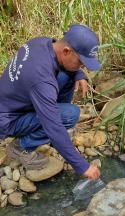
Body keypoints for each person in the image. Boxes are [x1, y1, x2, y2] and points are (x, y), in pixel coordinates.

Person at [0, 24, 101, 180]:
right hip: (8, 120)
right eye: (81, 63)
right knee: (70, 115)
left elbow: (62, 67)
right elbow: (53, 125)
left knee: (68, 75)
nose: (83, 66)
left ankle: (54, 132)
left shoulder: (42, 43)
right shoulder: (41, 81)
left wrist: (78, 74)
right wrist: (82, 166)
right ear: (67, 51)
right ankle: (21, 147)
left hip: (15, 101)